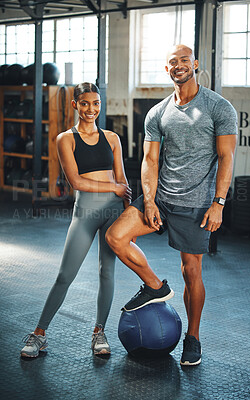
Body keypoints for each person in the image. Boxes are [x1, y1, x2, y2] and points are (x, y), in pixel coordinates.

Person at [106, 44, 238, 366]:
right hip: (162, 198)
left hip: (195, 204)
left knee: (192, 271)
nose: (178, 66)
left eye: (183, 60)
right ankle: (154, 286)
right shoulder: (158, 112)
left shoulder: (219, 108)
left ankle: (193, 338)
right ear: (167, 71)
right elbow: (150, 159)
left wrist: (218, 202)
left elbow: (226, 157)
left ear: (194, 64)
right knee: (116, 237)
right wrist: (149, 201)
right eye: (171, 63)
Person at [21, 82, 131, 358]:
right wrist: (114, 189)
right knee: (64, 275)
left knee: (107, 272)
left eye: (95, 103)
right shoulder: (65, 139)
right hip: (85, 212)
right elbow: (75, 181)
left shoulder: (112, 138)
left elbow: (123, 181)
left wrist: (129, 213)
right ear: (75, 105)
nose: (91, 109)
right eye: (84, 103)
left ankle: (99, 332)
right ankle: (39, 334)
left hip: (115, 212)